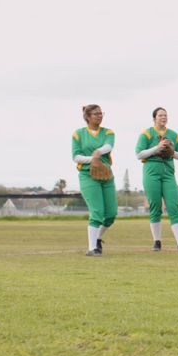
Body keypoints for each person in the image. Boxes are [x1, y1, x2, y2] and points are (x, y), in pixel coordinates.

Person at [135, 107, 178, 253]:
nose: (163, 117)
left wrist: (172, 152)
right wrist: (157, 148)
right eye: (160, 115)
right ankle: (157, 242)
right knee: (155, 207)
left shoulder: (173, 135)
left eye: (165, 115)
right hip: (151, 173)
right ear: (154, 118)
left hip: (168, 174)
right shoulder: (146, 134)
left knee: (173, 206)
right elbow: (139, 154)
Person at [71, 104, 116, 256]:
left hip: (106, 175)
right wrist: (92, 159)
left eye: (101, 113)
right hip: (87, 175)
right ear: (87, 117)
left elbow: (108, 146)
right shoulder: (78, 134)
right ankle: (92, 248)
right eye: (96, 114)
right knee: (97, 211)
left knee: (110, 214)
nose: (99, 116)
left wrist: (98, 152)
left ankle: (96, 238)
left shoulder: (108, 132)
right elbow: (76, 156)